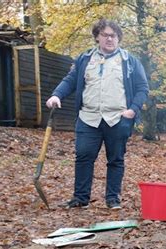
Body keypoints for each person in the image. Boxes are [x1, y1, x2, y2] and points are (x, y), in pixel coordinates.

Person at [46, 19, 149, 209]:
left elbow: (143, 88)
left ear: (118, 38)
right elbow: (70, 80)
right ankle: (80, 198)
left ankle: (112, 198)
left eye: (113, 35)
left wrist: (132, 110)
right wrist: (56, 95)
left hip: (118, 119)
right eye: (105, 35)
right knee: (84, 156)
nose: (110, 39)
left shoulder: (130, 61)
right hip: (88, 118)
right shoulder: (84, 59)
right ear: (97, 37)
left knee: (115, 159)